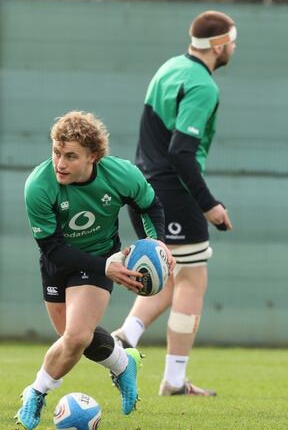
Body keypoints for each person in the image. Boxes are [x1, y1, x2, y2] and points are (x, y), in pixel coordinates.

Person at [17, 111, 173, 429]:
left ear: (94, 156)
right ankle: (122, 362)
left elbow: (150, 205)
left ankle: (37, 391)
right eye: (56, 153)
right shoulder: (38, 185)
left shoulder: (120, 175)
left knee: (75, 337)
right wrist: (106, 266)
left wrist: (158, 244)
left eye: (71, 156)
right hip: (58, 262)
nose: (60, 163)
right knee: (74, 337)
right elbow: (53, 248)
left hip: (102, 258)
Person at [111, 10, 236, 397]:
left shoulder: (170, 67)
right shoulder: (202, 85)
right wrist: (209, 203)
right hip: (172, 189)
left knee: (170, 273)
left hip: (143, 186)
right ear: (218, 46)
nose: (233, 48)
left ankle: (124, 337)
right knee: (193, 279)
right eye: (231, 41)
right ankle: (174, 380)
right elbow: (181, 152)